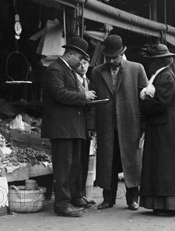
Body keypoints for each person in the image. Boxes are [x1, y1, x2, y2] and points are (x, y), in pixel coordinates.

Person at [88, 35, 148, 211]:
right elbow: (92, 101)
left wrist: (144, 126)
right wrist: (91, 125)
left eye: (116, 57)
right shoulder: (97, 72)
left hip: (131, 124)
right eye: (109, 57)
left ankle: (132, 199)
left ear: (123, 53)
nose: (113, 60)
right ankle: (108, 199)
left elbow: (145, 99)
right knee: (108, 162)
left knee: (131, 162)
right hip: (106, 125)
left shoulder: (137, 69)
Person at [139, 44, 175, 215]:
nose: (150, 64)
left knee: (166, 163)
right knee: (166, 162)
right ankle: (168, 203)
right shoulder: (163, 75)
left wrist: (143, 101)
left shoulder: (165, 76)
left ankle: (168, 204)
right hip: (166, 124)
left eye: (152, 61)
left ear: (158, 62)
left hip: (165, 125)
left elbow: (161, 103)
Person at [41, 36, 97, 217]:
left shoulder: (69, 71)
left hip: (71, 126)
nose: (81, 62)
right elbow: (60, 94)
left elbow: (70, 93)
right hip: (61, 128)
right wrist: (84, 97)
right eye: (80, 58)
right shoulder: (54, 70)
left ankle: (75, 196)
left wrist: (86, 97)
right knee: (63, 166)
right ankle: (62, 204)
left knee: (74, 164)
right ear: (71, 54)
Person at [73, 56, 95, 205]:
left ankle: (81, 194)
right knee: (76, 161)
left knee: (84, 161)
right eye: (79, 64)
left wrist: (91, 126)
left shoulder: (87, 81)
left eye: (85, 63)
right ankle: (76, 195)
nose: (82, 66)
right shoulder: (71, 80)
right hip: (74, 125)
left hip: (85, 126)